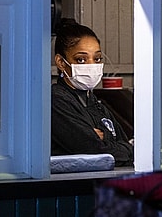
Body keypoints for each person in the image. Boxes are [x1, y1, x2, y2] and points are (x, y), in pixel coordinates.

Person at [51, 19, 134, 166]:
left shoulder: (95, 103)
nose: (91, 65)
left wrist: (105, 138)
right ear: (61, 62)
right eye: (81, 60)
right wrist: (109, 142)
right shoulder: (56, 100)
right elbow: (94, 151)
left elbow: (125, 145)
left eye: (97, 59)